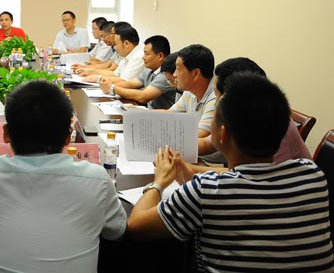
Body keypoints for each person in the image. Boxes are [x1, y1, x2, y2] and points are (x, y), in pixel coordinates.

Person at [126, 72, 334, 272]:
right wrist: (187, 170)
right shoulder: (312, 174)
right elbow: (248, 180)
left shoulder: (205, 191)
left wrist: (159, 182)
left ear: (222, 133)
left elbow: (136, 227)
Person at [0, 80, 126, 273]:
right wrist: (155, 186)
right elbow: (116, 231)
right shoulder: (97, 179)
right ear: (68, 136)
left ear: (6, 133)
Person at [196, 57, 311, 166]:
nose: (215, 102)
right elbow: (207, 144)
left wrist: (190, 169)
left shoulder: (272, 126)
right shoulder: (241, 116)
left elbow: (258, 174)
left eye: (216, 94)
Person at [99, 35, 176, 109]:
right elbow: (131, 84)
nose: (143, 57)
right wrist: (108, 85)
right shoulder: (149, 69)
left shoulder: (165, 75)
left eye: (147, 54)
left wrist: (113, 88)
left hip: (162, 116)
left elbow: (143, 96)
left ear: (160, 56)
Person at [168, 44, 216, 141]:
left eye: (178, 69)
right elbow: (170, 113)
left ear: (195, 73)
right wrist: (140, 114)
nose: (174, 75)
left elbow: (200, 135)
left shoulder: (215, 97)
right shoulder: (190, 91)